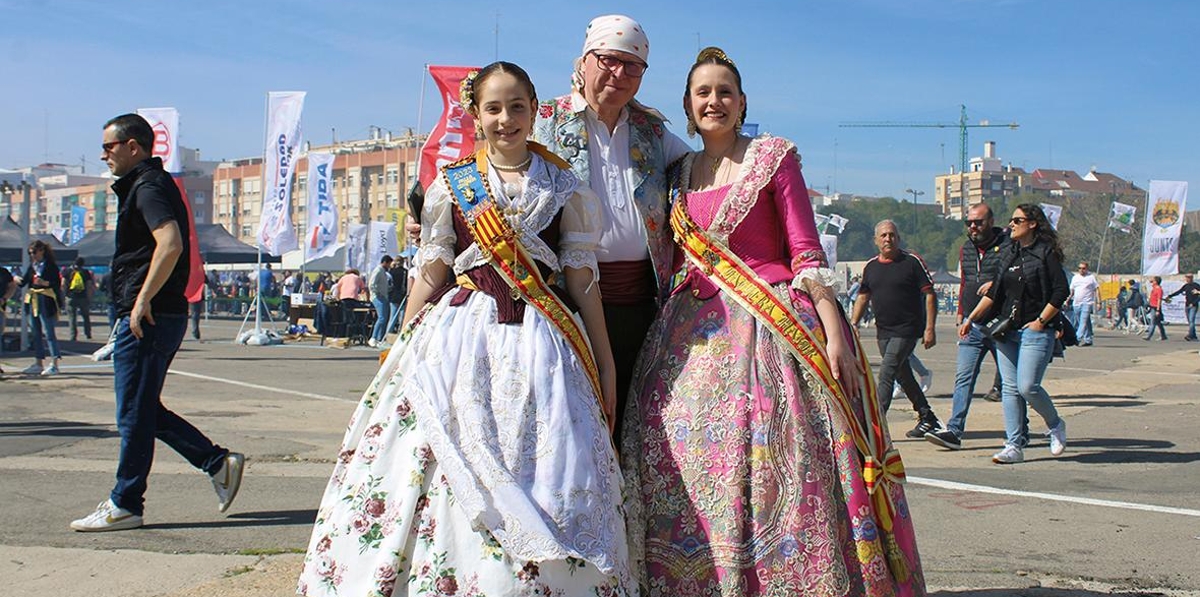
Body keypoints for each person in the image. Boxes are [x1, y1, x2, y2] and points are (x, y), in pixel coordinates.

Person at [297, 62, 629, 596]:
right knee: (439, 456)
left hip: (541, 343)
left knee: (546, 462)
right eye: (493, 108)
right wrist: (399, 344)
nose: (506, 119)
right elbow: (430, 274)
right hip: (459, 335)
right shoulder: (451, 187)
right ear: (476, 114)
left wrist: (604, 359)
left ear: (534, 111)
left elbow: (582, 282)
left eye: (517, 106)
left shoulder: (566, 187)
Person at [623, 47, 924, 596]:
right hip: (689, 335)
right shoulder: (676, 173)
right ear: (688, 107)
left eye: (724, 92)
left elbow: (807, 255)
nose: (714, 101)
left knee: (776, 460)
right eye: (702, 93)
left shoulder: (774, 157)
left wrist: (834, 331)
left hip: (770, 328)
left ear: (741, 103)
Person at [70, 113, 244, 532]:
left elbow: (169, 242)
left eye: (109, 147)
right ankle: (216, 462)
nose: (104, 155)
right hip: (152, 312)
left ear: (134, 147)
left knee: (133, 412)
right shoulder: (147, 186)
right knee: (141, 408)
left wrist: (142, 299)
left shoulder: (148, 187)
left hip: (149, 313)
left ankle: (126, 502)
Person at [532, 14, 691, 444]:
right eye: (608, 60)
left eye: (632, 65)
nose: (619, 73)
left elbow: (704, 172)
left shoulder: (652, 130)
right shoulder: (542, 121)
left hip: (642, 302)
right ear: (584, 61)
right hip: (564, 298)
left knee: (634, 425)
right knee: (571, 427)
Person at [959, 204, 1069, 465]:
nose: (1011, 224)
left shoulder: (1045, 253)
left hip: (1036, 329)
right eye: (1011, 220)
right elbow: (995, 293)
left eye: (1018, 220)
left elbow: (1060, 291)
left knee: (1027, 386)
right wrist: (970, 319)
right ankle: (1013, 445)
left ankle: (1055, 424)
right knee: (1009, 389)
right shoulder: (1009, 252)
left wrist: (1041, 321)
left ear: (1032, 224)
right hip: (1007, 330)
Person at [926, 203, 1010, 450]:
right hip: (972, 326)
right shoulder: (967, 248)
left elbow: (1016, 276)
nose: (973, 227)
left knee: (1012, 382)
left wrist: (996, 282)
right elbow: (964, 281)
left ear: (991, 221)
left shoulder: (1006, 246)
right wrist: (962, 314)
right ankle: (954, 431)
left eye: (979, 222)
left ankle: (1020, 430)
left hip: (1001, 325)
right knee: (963, 378)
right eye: (969, 222)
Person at [851, 219, 944, 439]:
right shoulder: (871, 267)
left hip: (907, 329)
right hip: (883, 331)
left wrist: (930, 328)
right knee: (904, 376)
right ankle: (927, 417)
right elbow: (863, 296)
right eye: (883, 235)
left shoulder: (911, 262)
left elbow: (930, 294)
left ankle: (875, 427)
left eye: (892, 235)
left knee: (887, 372)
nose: (888, 239)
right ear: (876, 240)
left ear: (898, 238)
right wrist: (853, 323)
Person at [14, 240, 64, 376]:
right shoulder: (32, 266)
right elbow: (24, 282)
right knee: (36, 332)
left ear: (41, 251)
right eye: (30, 253)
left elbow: (57, 284)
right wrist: (16, 279)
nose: (32, 255)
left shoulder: (50, 266)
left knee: (49, 332)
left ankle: (54, 363)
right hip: (33, 299)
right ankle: (38, 362)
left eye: (34, 252)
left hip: (46, 299)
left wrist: (45, 282)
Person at [1068, 260, 1099, 346]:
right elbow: (1072, 291)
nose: (1081, 270)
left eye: (1083, 268)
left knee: (1083, 321)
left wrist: (1099, 302)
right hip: (1076, 303)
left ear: (1087, 269)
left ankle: (1077, 338)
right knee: (1085, 321)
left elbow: (1096, 290)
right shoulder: (1075, 278)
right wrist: (1067, 300)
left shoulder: (1091, 277)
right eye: (1079, 268)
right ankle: (1088, 339)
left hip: (1087, 302)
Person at [65, 256, 96, 341]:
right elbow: (89, 285)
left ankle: (73, 335)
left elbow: (62, 284)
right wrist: (89, 297)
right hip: (83, 297)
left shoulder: (68, 271)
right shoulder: (85, 272)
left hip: (70, 296)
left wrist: (65, 294)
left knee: (72, 317)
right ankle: (88, 333)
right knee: (86, 316)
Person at [366, 254, 392, 348]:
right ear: (385, 262)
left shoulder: (383, 272)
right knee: (381, 318)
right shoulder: (378, 270)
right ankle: (373, 337)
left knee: (384, 318)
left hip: (383, 296)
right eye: (389, 264)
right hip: (378, 297)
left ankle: (380, 339)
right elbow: (372, 284)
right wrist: (378, 293)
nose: (389, 266)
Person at [1167, 273, 1199, 341]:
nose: (1187, 279)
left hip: (1193, 306)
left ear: (1192, 278)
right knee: (1190, 322)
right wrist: (1170, 296)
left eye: (1189, 278)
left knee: (1191, 320)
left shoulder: (1196, 286)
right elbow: (1179, 291)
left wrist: (1194, 303)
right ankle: (1194, 336)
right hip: (1187, 305)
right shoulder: (1186, 286)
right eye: (1186, 278)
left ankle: (1190, 335)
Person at [385, 256, 408, 334]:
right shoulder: (405, 272)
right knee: (402, 317)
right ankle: (400, 332)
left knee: (393, 316)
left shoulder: (391, 272)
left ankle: (388, 333)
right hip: (403, 295)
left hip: (393, 296)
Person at [1144, 275, 1168, 341]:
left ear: (1156, 282)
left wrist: (1158, 310)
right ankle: (1163, 335)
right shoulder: (1154, 288)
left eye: (1153, 280)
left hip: (1155, 307)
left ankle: (1149, 336)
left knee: (1153, 322)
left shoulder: (1159, 289)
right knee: (1158, 322)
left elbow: (1159, 300)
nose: (1152, 281)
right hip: (1152, 306)